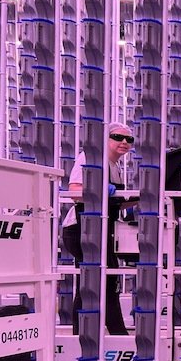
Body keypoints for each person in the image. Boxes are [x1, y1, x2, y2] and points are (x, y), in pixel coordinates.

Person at [61, 122, 135, 335]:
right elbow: (75, 191)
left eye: (128, 139)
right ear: (105, 138)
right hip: (82, 230)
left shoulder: (116, 167)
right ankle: (106, 336)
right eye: (118, 137)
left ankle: (99, 334)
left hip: (102, 230)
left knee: (101, 283)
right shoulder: (91, 158)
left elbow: (115, 201)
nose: (124, 142)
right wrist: (101, 190)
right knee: (93, 283)